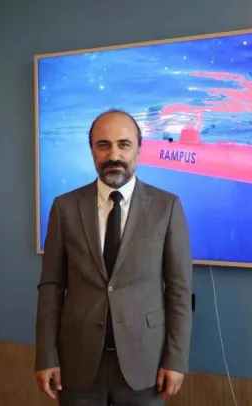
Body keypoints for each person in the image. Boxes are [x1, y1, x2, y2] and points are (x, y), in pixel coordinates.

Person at [34, 109, 193, 405]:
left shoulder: (167, 207)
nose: (113, 155)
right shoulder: (64, 207)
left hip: (145, 362)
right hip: (77, 362)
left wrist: (176, 359)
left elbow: (179, 292)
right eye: (103, 145)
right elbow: (51, 287)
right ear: (92, 150)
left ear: (139, 149)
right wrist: (46, 355)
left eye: (124, 144)